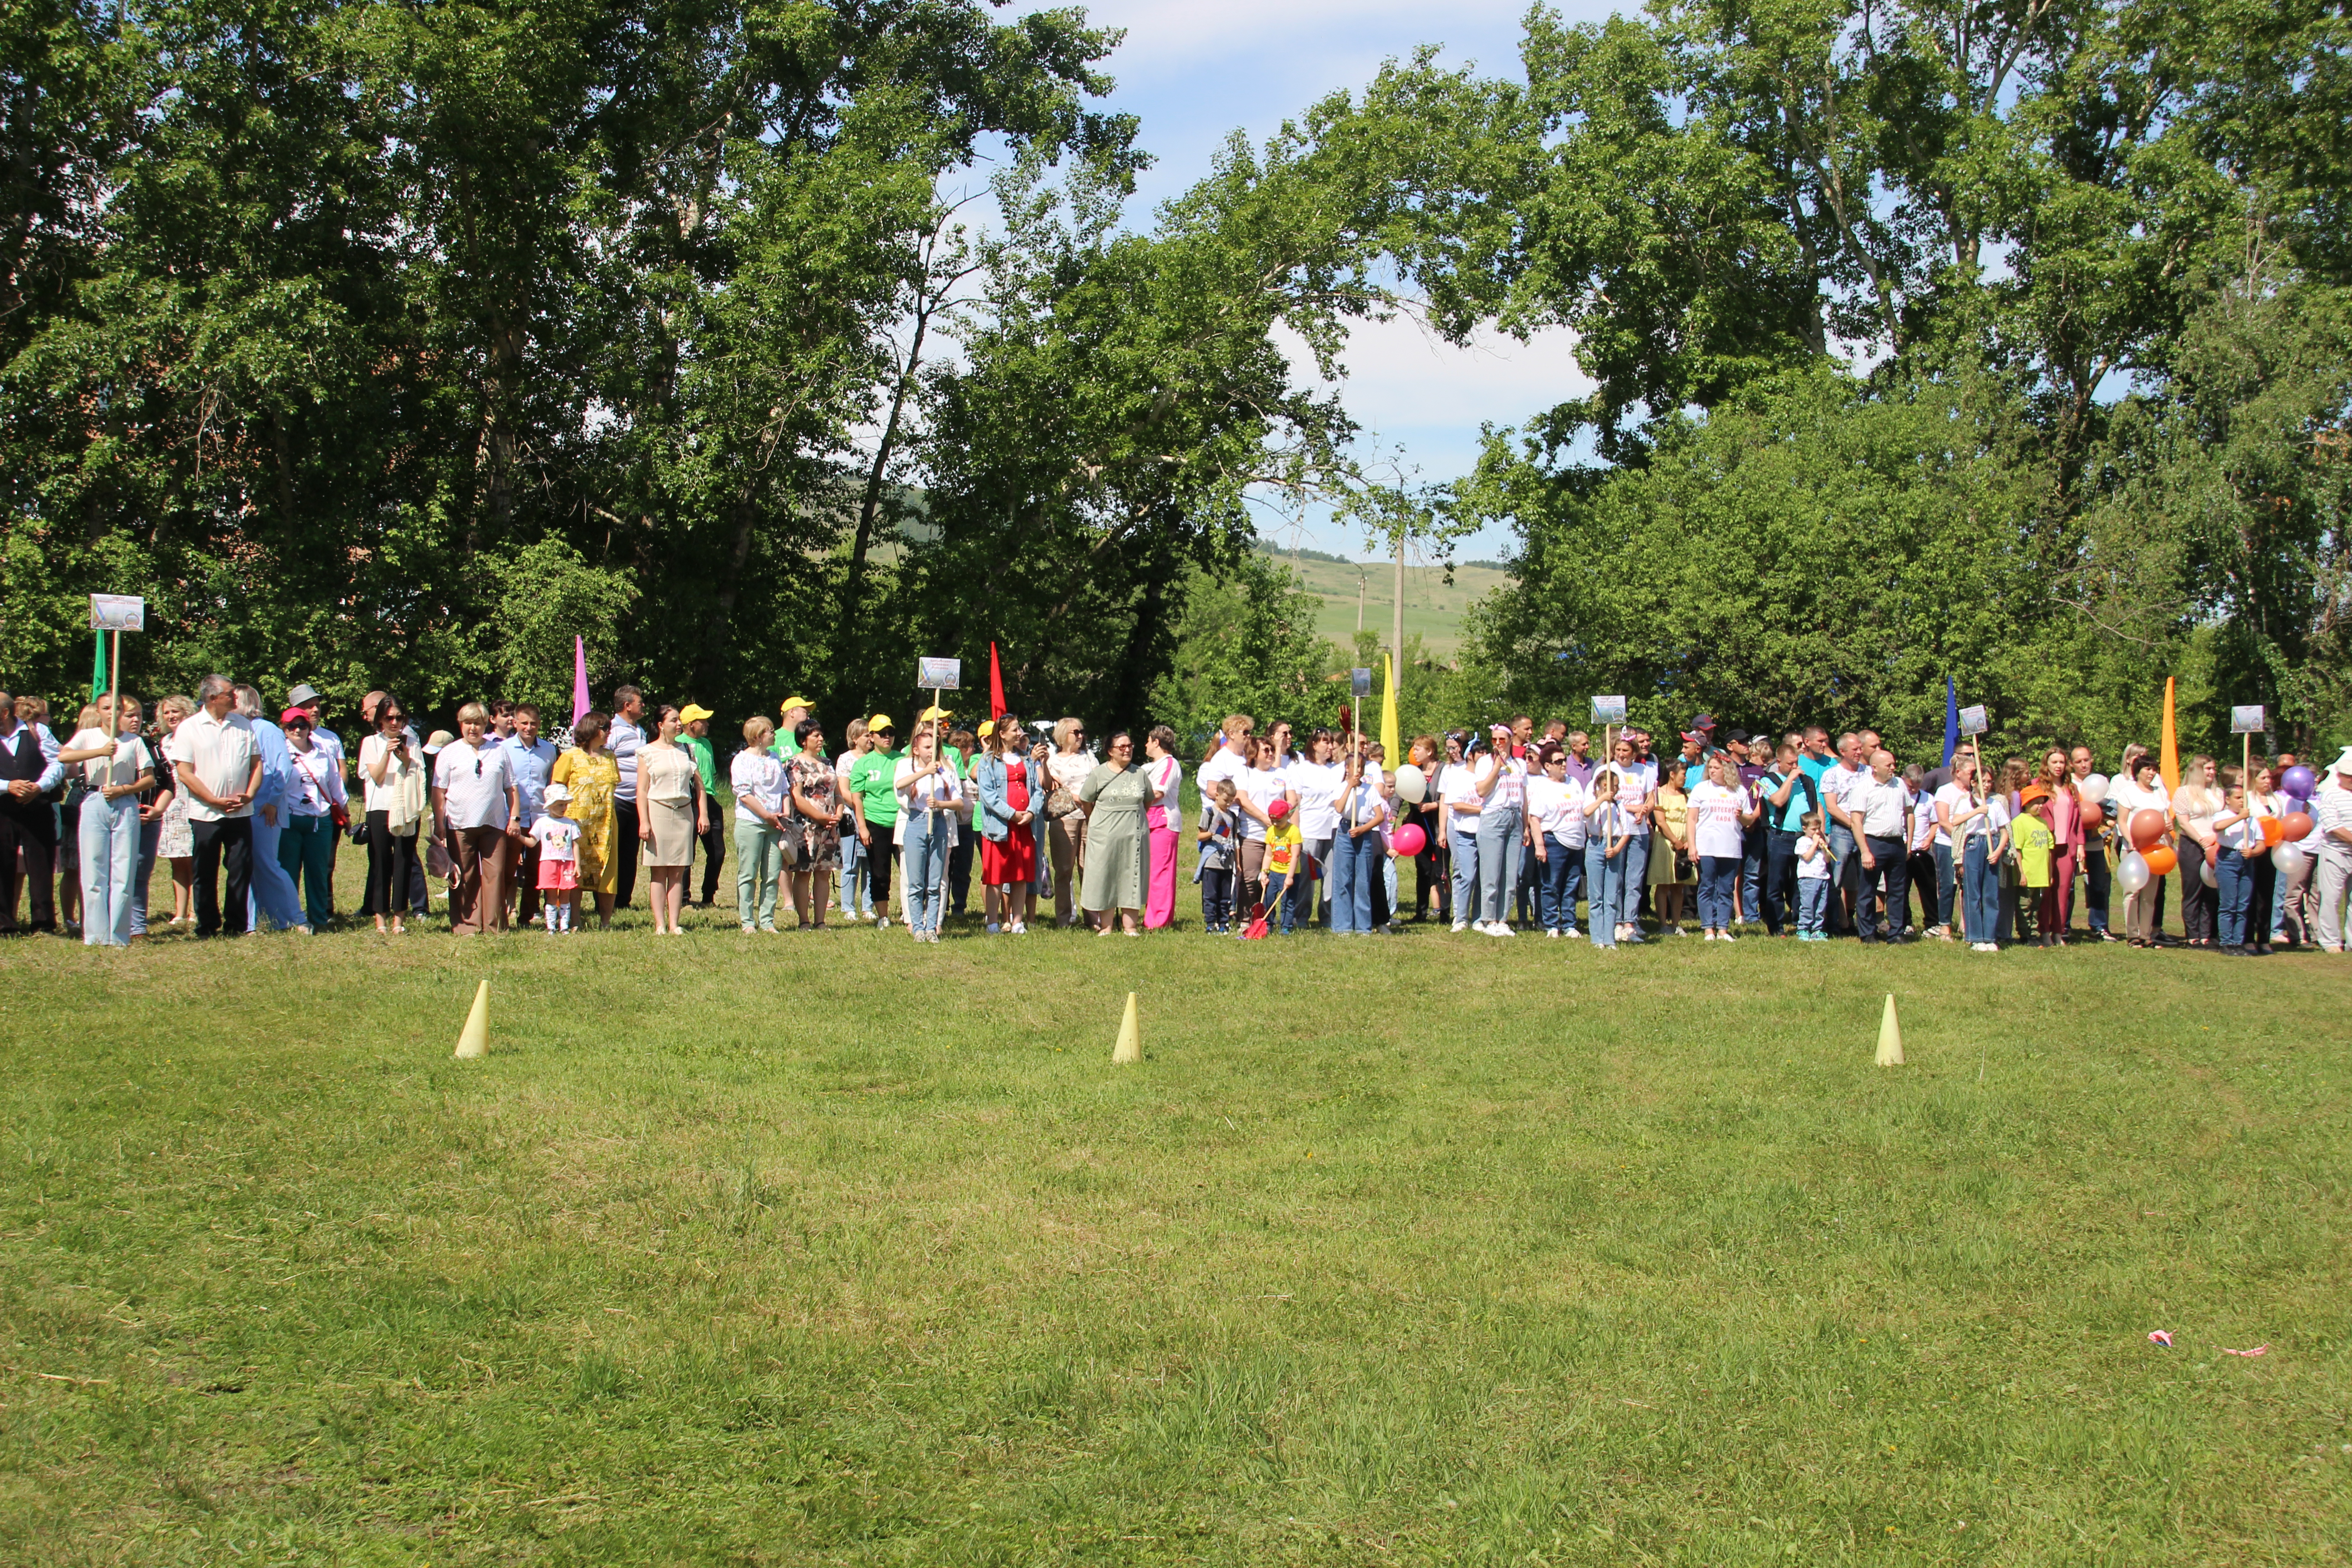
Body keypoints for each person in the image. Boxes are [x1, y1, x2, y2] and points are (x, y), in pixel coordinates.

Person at [167, 676, 261, 939]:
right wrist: (212, 799)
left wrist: (250, 794)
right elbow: (185, 772)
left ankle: (236, 925)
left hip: (240, 812)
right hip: (205, 813)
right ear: (212, 698)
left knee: (240, 868)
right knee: (205, 871)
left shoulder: (243, 725)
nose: (235, 698)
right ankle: (207, 925)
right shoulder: (189, 728)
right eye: (230, 694)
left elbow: (257, 764)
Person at [59, 696, 153, 947]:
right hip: (94, 801)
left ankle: (119, 935)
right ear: (98, 711)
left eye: (118, 708)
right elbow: (64, 757)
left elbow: (149, 779)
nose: (113, 712)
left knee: (124, 870)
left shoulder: (134, 741)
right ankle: (96, 936)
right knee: (93, 868)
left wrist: (123, 789)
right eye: (106, 708)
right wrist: (100, 752)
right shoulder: (88, 736)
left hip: (125, 803)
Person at [432, 702, 521, 936]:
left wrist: (514, 818)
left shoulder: (499, 751)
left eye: (478, 723)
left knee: (496, 875)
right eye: (468, 723)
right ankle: (467, 926)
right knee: (465, 875)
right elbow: (438, 791)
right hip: (459, 823)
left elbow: (511, 788)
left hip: (494, 823)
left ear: (485, 724)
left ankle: (495, 926)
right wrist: (440, 823)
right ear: (461, 724)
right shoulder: (448, 753)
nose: (473, 728)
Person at [233, 686, 305, 933]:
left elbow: (282, 769)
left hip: (265, 810)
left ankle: (296, 918)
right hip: (246, 810)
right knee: (249, 866)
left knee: (268, 864)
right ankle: (255, 921)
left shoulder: (267, 730)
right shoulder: (240, 729)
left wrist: (273, 802)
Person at [637, 705, 708, 937]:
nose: (679, 724)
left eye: (679, 721)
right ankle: (659, 923)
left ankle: (674, 923)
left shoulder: (687, 749)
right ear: (660, 725)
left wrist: (703, 814)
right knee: (658, 871)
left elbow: (699, 785)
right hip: (658, 811)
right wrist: (644, 821)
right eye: (673, 721)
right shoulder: (647, 752)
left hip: (684, 813)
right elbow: (642, 791)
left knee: (678, 871)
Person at [358, 693, 426, 936]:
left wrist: (406, 757)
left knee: (403, 862)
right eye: (389, 718)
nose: (395, 723)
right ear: (381, 721)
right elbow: (375, 778)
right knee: (380, 862)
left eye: (399, 718)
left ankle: (399, 920)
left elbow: (418, 775)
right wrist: (387, 753)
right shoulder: (370, 743)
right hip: (380, 807)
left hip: (405, 809)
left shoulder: (412, 742)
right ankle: (380, 920)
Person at [551, 711, 622, 929]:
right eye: (604, 729)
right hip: (576, 826)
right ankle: (575, 920)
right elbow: (556, 788)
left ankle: (606, 921)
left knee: (608, 874)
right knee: (576, 872)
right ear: (591, 729)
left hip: (606, 825)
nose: (608, 733)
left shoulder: (611, 757)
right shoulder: (570, 757)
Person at [279, 708, 346, 930]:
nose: (297, 730)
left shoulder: (322, 751)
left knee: (317, 871)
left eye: (302, 725)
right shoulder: (280, 752)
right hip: (290, 819)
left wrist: (344, 808)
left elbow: (335, 782)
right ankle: (291, 918)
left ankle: (319, 918)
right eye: (291, 726)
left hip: (321, 819)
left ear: (309, 728)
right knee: (289, 871)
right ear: (284, 729)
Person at [1077, 730, 1150, 936]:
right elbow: (1086, 800)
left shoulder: (1140, 773)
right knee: (1105, 876)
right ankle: (1106, 925)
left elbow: (1148, 801)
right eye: (1122, 747)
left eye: (1130, 746)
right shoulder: (1098, 774)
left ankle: (1130, 926)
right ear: (1110, 751)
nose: (1127, 750)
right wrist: (1096, 822)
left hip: (1134, 837)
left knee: (1132, 876)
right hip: (1105, 836)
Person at [894, 723, 960, 942]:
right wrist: (925, 771)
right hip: (915, 822)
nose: (931, 752)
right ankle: (917, 928)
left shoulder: (946, 768)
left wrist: (941, 803)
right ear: (916, 750)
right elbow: (900, 785)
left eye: (934, 747)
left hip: (939, 822)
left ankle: (932, 927)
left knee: (935, 881)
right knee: (915, 881)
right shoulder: (906, 766)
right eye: (926, 748)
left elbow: (959, 802)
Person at [973, 714, 1037, 935]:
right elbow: (988, 796)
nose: (1019, 734)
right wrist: (1012, 814)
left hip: (1024, 826)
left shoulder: (1027, 759)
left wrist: (1031, 812)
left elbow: (1036, 790)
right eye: (1014, 731)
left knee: (1021, 875)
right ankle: (993, 922)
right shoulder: (988, 761)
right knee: (996, 876)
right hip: (1000, 827)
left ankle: (1017, 921)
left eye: (1019, 729)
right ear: (1002, 735)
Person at [1687, 755, 1755, 941]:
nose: (1712, 771)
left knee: (1726, 889)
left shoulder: (1739, 791)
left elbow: (1750, 820)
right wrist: (1692, 846)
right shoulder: (1701, 789)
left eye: (1717, 768)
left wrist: (1742, 816)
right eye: (1710, 768)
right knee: (1707, 886)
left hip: (1731, 847)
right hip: (1706, 846)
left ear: (1727, 770)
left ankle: (1723, 928)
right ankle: (1708, 928)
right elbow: (1692, 819)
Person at [785, 717, 844, 929]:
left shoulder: (827, 763)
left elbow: (837, 793)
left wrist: (838, 813)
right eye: (815, 736)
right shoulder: (795, 763)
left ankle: (820, 921)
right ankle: (804, 921)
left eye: (821, 735)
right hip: (806, 826)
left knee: (824, 872)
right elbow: (797, 797)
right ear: (804, 740)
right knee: (803, 872)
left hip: (830, 827)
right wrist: (819, 817)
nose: (821, 739)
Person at [730, 716, 788, 933]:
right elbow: (744, 794)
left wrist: (785, 814)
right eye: (770, 731)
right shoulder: (742, 760)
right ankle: (747, 921)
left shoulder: (775, 758)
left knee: (772, 874)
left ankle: (767, 920)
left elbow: (784, 789)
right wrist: (766, 815)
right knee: (748, 873)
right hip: (751, 822)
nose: (774, 734)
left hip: (776, 824)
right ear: (758, 737)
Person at [1282, 729, 1344, 930]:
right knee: (1306, 879)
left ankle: (1327, 917)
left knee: (1331, 877)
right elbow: (1295, 803)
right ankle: (1300, 917)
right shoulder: (1301, 768)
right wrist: (1296, 832)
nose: (1330, 746)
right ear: (1314, 745)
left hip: (1333, 829)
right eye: (1325, 742)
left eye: (1332, 742)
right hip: (1309, 830)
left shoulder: (1336, 770)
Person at [502, 704, 557, 927]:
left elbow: (552, 782)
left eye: (533, 723)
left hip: (540, 818)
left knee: (536, 872)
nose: (529, 727)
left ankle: (527, 916)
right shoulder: (503, 749)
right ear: (515, 723)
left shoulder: (549, 750)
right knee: (507, 871)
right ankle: (502, 914)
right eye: (524, 723)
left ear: (539, 724)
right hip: (512, 818)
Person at [1524, 743, 1586, 937]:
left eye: (1564, 760)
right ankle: (1551, 924)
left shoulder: (1574, 783)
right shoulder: (1543, 787)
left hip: (1576, 842)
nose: (1563, 764)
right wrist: (1540, 846)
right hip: (1554, 839)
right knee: (1551, 884)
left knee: (1571, 885)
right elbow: (1535, 818)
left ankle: (1569, 923)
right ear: (1547, 766)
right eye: (1558, 761)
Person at [143, 696, 194, 931]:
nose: (171, 716)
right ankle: (181, 911)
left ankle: (197, 910)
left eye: (176, 712)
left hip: (193, 801)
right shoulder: (164, 742)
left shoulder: (195, 738)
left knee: (193, 859)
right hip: (171, 804)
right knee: (177, 859)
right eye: (166, 713)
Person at [1852, 749, 1912, 943]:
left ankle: (1896, 932)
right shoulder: (1863, 788)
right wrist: (1865, 851)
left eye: (1894, 764)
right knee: (1868, 890)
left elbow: (1909, 813)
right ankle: (1867, 933)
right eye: (1889, 765)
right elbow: (1856, 821)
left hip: (1896, 842)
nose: (1894, 768)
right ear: (1875, 768)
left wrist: (1908, 843)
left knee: (1897, 890)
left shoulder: (1899, 785)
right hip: (1874, 842)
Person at [1471, 724, 1526, 936]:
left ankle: (1503, 918)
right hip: (1494, 816)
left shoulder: (1519, 764)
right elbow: (1483, 791)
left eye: (1502, 740)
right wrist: (1497, 767)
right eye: (1494, 740)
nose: (1498, 744)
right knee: (1491, 873)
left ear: (1510, 740)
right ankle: (1488, 919)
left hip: (1515, 816)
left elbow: (1525, 796)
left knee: (1510, 875)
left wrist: (1526, 824)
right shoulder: (1485, 762)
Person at [848, 716, 903, 929]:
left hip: (902, 821)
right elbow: (857, 798)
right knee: (880, 872)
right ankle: (883, 916)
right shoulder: (864, 764)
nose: (887, 737)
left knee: (910, 870)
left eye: (891, 732)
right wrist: (862, 827)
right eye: (882, 733)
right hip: (875, 822)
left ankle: (913, 913)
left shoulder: (903, 759)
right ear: (872, 737)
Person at [1327, 742, 1387, 935]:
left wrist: (1363, 829)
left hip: (1364, 834)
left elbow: (1380, 816)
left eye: (1361, 767)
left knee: (1363, 880)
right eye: (1355, 768)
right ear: (1347, 769)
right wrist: (1349, 787)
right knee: (1343, 879)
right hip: (1345, 833)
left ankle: (1363, 926)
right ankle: (1342, 925)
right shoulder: (1341, 787)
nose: (1358, 771)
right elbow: (1339, 808)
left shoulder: (1370, 790)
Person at [1758, 742, 1814, 937]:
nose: (1795, 767)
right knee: (1777, 883)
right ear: (1779, 762)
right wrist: (1789, 779)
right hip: (1780, 838)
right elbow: (1778, 801)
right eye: (1790, 764)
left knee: (1801, 883)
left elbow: (1815, 806)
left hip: (1804, 838)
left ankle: (1802, 924)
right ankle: (1776, 927)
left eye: (1796, 763)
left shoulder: (1806, 781)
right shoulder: (1766, 780)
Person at [1043, 717, 1095, 927]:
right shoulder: (1053, 761)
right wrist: (1079, 797)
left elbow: (1098, 781)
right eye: (1076, 733)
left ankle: (1094, 918)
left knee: (1089, 869)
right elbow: (1050, 786)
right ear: (1064, 735)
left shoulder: (1089, 757)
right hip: (1065, 820)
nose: (1081, 736)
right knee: (1064, 869)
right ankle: (1064, 919)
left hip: (1090, 817)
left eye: (1082, 732)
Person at [677, 703, 729, 908]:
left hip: (709, 798)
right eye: (703, 721)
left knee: (718, 851)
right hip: (688, 799)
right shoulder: (679, 743)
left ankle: (709, 895)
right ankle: (683, 898)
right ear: (691, 724)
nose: (707, 724)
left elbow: (711, 775)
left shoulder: (706, 744)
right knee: (687, 851)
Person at [2210, 769, 2264, 956]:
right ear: (2228, 799)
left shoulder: (2253, 821)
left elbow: (2262, 844)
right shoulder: (2223, 816)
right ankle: (2226, 942)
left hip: (2246, 860)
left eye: (2244, 798)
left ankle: (2237, 942)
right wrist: (2239, 818)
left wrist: (2253, 851)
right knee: (2228, 904)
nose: (2242, 802)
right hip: (2228, 859)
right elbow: (2218, 827)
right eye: (2238, 798)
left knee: (2243, 905)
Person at [2171, 755, 2220, 947]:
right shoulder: (2184, 792)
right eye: (2208, 769)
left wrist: (2214, 839)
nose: (2212, 772)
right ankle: (2193, 934)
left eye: (2213, 768)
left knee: (2212, 890)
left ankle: (2208, 934)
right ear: (2197, 770)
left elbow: (2223, 818)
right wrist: (2201, 841)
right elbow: (2183, 822)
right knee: (2193, 889)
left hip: (2215, 845)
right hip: (2192, 845)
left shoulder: (2218, 793)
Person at [2069, 745, 2115, 939]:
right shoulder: (2068, 783)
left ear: (2092, 760)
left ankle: (2099, 926)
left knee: (2099, 884)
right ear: (2072, 764)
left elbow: (2113, 809)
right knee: (2068, 884)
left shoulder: (2100, 782)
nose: (2083, 764)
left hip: (2095, 840)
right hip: (2072, 840)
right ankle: (2063, 926)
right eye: (2079, 761)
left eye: (2086, 760)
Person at [1582, 769, 1632, 948]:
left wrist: (1617, 849)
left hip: (1614, 847)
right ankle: (1597, 938)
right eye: (1616, 785)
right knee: (1596, 896)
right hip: (1596, 845)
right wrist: (1602, 799)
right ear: (1606, 786)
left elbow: (1626, 832)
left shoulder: (1619, 806)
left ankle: (1609, 938)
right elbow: (1586, 813)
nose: (1618, 789)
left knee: (1611, 896)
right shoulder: (1594, 801)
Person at [608, 684, 647, 907]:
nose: (643, 706)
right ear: (627, 706)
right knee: (613, 851)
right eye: (639, 703)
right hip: (618, 799)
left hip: (637, 801)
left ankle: (624, 900)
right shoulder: (612, 729)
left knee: (630, 852)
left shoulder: (639, 730)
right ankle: (607, 899)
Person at [1143, 725, 1184, 929]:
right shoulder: (1147, 766)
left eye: (1148, 741)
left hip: (1163, 821)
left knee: (1161, 872)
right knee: (1149, 872)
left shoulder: (1169, 763)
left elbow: (1158, 792)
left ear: (1157, 742)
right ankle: (1148, 916)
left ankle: (1159, 921)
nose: (1146, 745)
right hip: (1146, 820)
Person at [528, 784, 582, 934]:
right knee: (551, 895)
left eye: (565, 805)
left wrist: (577, 865)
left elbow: (575, 844)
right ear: (550, 806)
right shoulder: (542, 823)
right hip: (548, 863)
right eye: (559, 805)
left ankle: (564, 926)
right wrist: (518, 836)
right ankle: (551, 926)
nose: (563, 808)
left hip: (567, 863)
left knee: (565, 895)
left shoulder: (571, 824)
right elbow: (532, 842)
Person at [2313, 747, 2352, 953]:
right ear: (2340, 776)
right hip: (2336, 852)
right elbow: (2333, 827)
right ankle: (2330, 941)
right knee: (2331, 898)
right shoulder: (2330, 795)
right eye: (2348, 777)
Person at [2012, 784, 2058, 945]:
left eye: (2042, 802)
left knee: (2036, 906)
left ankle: (2033, 933)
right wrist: (2022, 874)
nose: (2040, 806)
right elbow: (2017, 850)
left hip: (2041, 874)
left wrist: (2050, 874)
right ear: (2026, 804)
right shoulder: (2020, 822)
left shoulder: (2043, 823)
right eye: (2036, 802)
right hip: (2028, 873)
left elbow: (2049, 850)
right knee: (2024, 905)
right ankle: (2025, 935)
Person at [1649, 762, 1691, 933]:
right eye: (1683, 774)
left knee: (1679, 885)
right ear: (1673, 774)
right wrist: (1675, 841)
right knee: (1664, 883)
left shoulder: (1687, 795)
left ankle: (1676, 923)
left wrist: (1688, 841)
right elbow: (1660, 821)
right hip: (1666, 842)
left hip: (1685, 843)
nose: (1685, 777)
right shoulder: (1659, 793)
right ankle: (1663, 925)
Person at [1197, 778, 1240, 933]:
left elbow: (1235, 840)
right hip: (1212, 861)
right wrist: (1212, 832)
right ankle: (1210, 922)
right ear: (1217, 795)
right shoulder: (1209, 813)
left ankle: (1224, 922)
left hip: (1228, 863)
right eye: (1226, 800)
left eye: (1231, 801)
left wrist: (1238, 863)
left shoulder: (1232, 817)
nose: (1228, 804)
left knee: (1225, 895)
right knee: (1211, 894)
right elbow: (1200, 836)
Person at [1258, 798, 1302, 931]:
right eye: (1273, 821)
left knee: (1287, 902)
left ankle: (1286, 927)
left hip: (1290, 873)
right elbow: (1268, 855)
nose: (1276, 824)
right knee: (1268, 899)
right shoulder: (1271, 831)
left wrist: (1290, 877)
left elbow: (1295, 855)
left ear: (1288, 816)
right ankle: (1268, 925)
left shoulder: (1294, 831)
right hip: (1274, 872)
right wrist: (1264, 872)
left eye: (1279, 821)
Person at [1793, 811, 1832, 941]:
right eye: (1813, 829)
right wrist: (1815, 844)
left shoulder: (1822, 840)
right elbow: (1807, 857)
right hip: (1808, 877)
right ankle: (1804, 929)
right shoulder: (1802, 841)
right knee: (1808, 905)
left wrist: (1824, 848)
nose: (1817, 832)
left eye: (1819, 829)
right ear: (1805, 829)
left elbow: (1828, 860)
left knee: (1821, 906)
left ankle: (1817, 930)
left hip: (1822, 876)